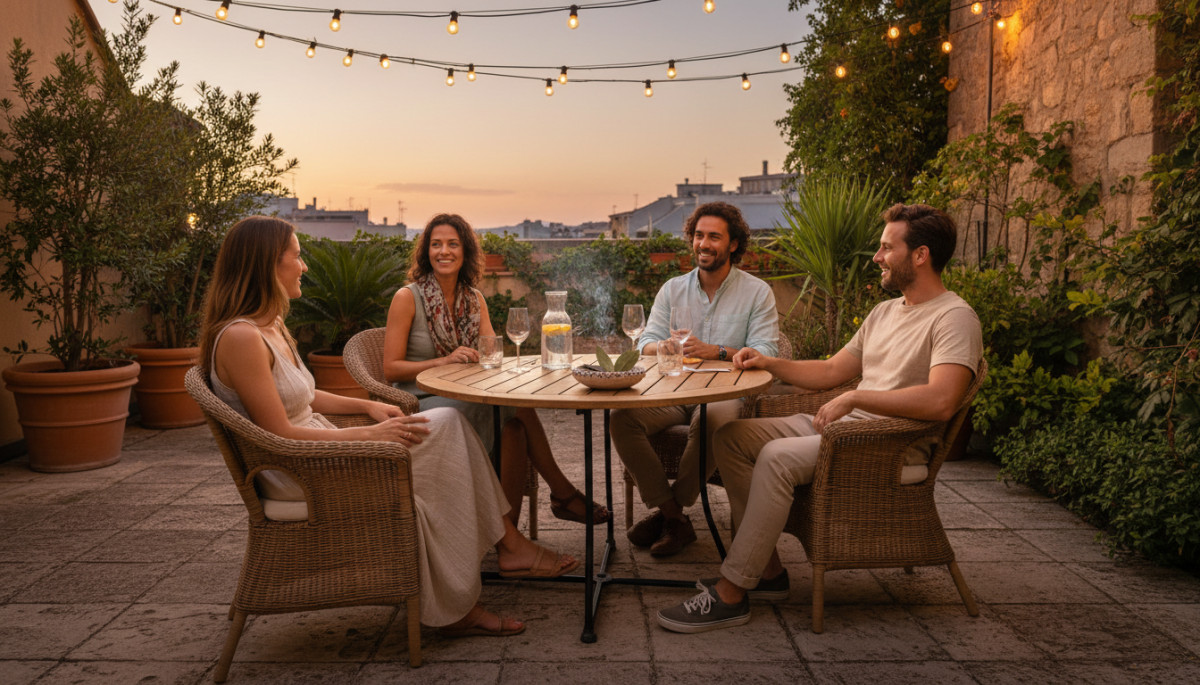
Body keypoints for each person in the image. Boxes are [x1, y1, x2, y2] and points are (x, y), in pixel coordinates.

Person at [199, 216, 579, 639]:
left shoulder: (268, 327)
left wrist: (369, 407)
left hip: (320, 453)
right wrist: (367, 434)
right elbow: (280, 435)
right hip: (302, 473)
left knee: (451, 426)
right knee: (450, 437)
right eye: (297, 256)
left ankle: (496, 558)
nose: (303, 266)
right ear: (267, 263)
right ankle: (483, 575)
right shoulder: (241, 338)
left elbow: (305, 396)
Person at [656, 203, 983, 633]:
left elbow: (942, 401)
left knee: (776, 457)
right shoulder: (885, 312)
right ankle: (768, 571)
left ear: (920, 255)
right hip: (844, 430)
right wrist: (768, 362)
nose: (877, 257)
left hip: (886, 446)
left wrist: (855, 398)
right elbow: (831, 371)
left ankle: (732, 591)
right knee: (731, 437)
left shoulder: (954, 318)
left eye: (887, 248)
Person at [383, 213, 609, 529]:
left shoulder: (474, 300)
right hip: (420, 399)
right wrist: (443, 361)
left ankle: (508, 534)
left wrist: (488, 360)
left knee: (515, 426)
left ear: (465, 252)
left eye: (452, 244)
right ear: (426, 252)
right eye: (436, 244)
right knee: (515, 409)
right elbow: (391, 368)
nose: (444, 251)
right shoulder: (407, 298)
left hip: (464, 392)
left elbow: (491, 353)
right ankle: (562, 495)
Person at [612, 201, 779, 557]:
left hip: (725, 394)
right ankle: (673, 515)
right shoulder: (673, 289)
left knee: (712, 421)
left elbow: (766, 350)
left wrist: (716, 351)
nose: (704, 244)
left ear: (733, 244)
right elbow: (644, 343)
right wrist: (665, 346)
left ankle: (670, 513)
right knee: (622, 419)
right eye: (699, 235)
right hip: (673, 391)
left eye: (714, 237)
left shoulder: (756, 292)